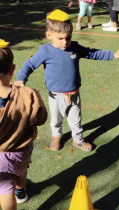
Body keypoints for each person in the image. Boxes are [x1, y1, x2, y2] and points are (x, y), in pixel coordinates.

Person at [14, 9, 119, 152]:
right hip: (56, 96)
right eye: (60, 38)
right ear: (49, 35)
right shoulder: (45, 51)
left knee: (76, 121)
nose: (65, 42)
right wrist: (20, 79)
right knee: (56, 120)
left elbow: (91, 53)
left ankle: (78, 140)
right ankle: (56, 137)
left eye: (68, 38)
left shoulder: (74, 47)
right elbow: (29, 65)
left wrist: (112, 55)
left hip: (74, 94)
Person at [0, 39, 47, 210]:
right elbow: (41, 119)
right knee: (21, 172)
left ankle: (16, 191)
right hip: (21, 152)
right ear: (12, 70)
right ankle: (20, 190)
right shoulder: (28, 94)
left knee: (5, 189)